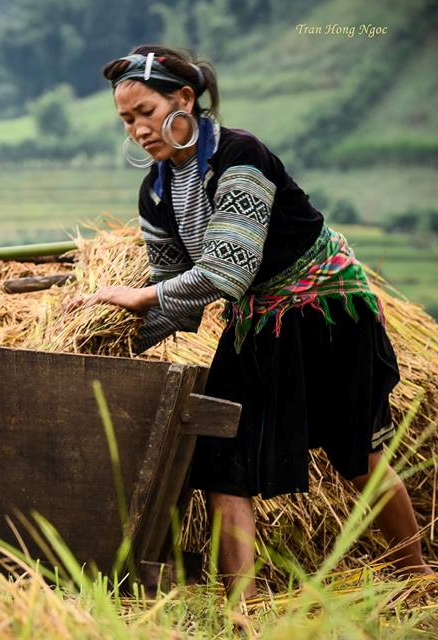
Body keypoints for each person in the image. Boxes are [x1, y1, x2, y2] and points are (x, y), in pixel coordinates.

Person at [71, 45, 432, 597]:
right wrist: (103, 339)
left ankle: (418, 575)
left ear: (184, 99)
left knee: (354, 451)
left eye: (145, 112)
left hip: (326, 310)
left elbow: (225, 273)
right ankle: (241, 603)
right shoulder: (156, 191)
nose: (138, 129)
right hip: (259, 319)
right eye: (127, 120)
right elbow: (181, 299)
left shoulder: (241, 156)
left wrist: (140, 298)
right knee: (221, 452)